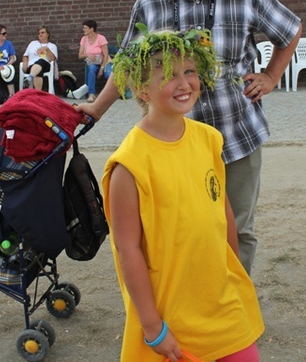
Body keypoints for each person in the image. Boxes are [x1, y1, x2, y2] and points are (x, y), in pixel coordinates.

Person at [79, 0, 302, 274]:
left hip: (236, 134)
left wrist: (272, 75)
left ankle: (234, 301)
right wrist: (97, 109)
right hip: (172, 143)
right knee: (182, 226)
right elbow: (128, 67)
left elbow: (290, 29)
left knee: (239, 228)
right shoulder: (151, 3)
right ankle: (189, 297)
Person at [103, 29, 264, 361]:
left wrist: (234, 274)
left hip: (222, 304)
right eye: (168, 75)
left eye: (189, 71)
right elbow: (127, 250)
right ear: (140, 89)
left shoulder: (208, 139)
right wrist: (152, 327)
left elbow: (223, 211)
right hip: (172, 314)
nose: (184, 83)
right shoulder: (129, 166)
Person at [78, 19, 109, 102]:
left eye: (85, 28)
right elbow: (80, 55)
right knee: (91, 68)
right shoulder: (83, 39)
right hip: (91, 63)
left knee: (107, 73)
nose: (83, 29)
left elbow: (106, 55)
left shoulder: (101, 38)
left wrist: (101, 69)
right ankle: (91, 94)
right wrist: (87, 55)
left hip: (102, 62)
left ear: (91, 29)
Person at [22, 25, 58, 91]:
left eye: (42, 32)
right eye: (39, 33)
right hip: (32, 66)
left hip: (46, 65)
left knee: (41, 60)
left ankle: (30, 77)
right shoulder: (33, 43)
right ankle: (38, 94)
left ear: (48, 34)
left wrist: (47, 49)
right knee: (38, 70)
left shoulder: (52, 46)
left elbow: (52, 59)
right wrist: (25, 64)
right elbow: (25, 55)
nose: (40, 34)